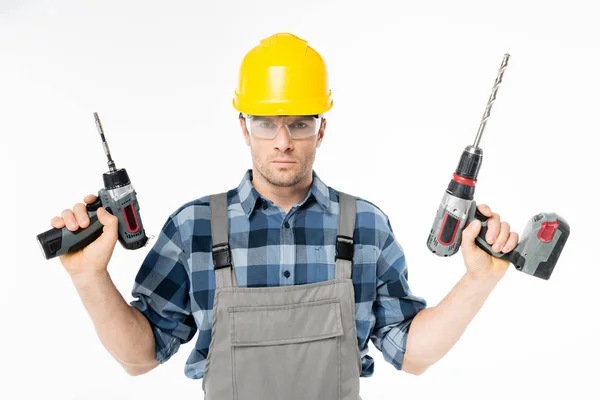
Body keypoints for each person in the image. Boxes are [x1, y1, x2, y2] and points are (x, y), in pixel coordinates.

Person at [50, 33, 519, 399]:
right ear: (243, 126)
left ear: (322, 129)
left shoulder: (366, 226)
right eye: (265, 122)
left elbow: (413, 355)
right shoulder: (193, 228)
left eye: (299, 122)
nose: (282, 140)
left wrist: (479, 280)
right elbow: (140, 356)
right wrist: (89, 277)